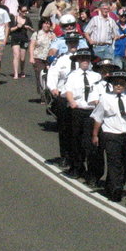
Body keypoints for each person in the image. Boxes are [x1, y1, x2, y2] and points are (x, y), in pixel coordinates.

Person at [91, 69, 126, 201]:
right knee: (114, 161)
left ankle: (116, 185)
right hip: (111, 133)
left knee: (125, 162)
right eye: (115, 83)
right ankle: (116, 188)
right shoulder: (105, 98)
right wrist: (95, 135)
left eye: (121, 83)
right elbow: (98, 118)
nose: (118, 86)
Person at [65, 49, 104, 182]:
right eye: (82, 59)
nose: (85, 61)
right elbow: (68, 90)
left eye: (87, 59)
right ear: (78, 61)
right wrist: (72, 102)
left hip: (92, 112)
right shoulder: (72, 75)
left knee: (91, 143)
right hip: (78, 110)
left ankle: (92, 172)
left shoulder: (96, 76)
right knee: (76, 140)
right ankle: (77, 167)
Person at [46, 35, 80, 169]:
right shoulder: (61, 60)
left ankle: (77, 158)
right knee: (64, 128)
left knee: (77, 130)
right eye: (70, 42)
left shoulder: (83, 59)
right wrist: (53, 89)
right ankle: (65, 156)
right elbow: (52, 74)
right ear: (66, 44)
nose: (73, 45)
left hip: (78, 99)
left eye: (75, 42)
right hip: (63, 96)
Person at [10, 5, 33, 79]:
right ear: (19, 11)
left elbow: (33, 30)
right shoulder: (14, 18)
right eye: (23, 11)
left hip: (24, 39)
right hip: (15, 38)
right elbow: (10, 29)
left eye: (26, 11)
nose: (25, 13)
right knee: (16, 55)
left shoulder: (27, 19)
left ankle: (22, 70)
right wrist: (17, 27)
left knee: (22, 58)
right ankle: (16, 73)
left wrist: (29, 28)